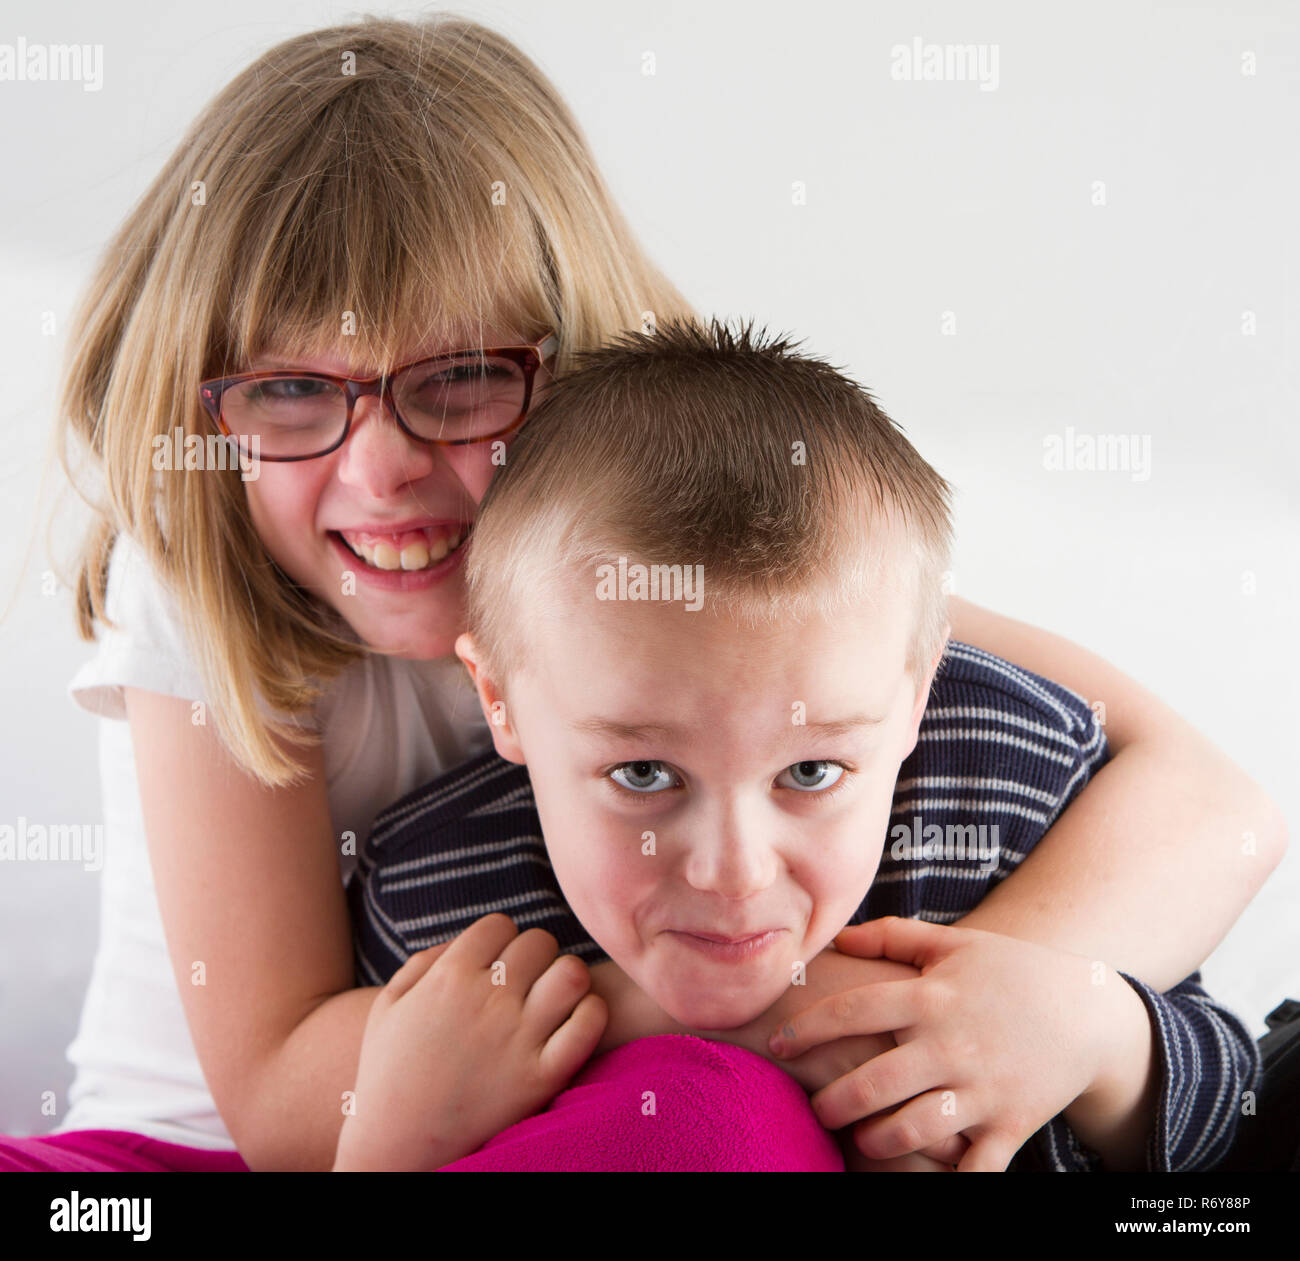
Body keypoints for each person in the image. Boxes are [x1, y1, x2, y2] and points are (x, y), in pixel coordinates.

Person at [0, 15, 1282, 1174]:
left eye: (457, 381)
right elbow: (283, 1100)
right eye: (288, 392)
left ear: (571, 374)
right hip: (196, 1161)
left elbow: (1211, 806)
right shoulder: (206, 579)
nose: (378, 465)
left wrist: (1001, 1006)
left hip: (600, 1113)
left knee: (708, 1116)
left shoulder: (666, 560)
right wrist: (766, 994)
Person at [343, 319, 1260, 1172]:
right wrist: (385, 1144)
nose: (732, 873)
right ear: (500, 702)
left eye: (811, 772)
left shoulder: (1001, 775)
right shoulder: (442, 909)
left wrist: (1093, 1034)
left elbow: (1239, 1109)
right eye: (644, 773)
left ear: (914, 698)